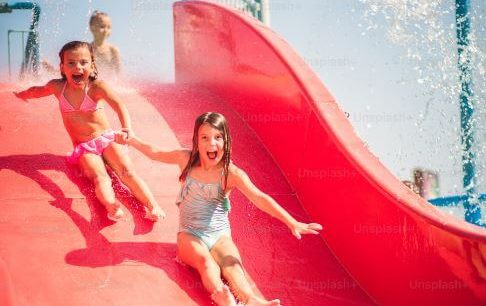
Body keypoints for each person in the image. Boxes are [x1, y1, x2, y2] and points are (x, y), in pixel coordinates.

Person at [115, 112, 323, 306]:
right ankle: (221, 295)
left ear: (226, 141)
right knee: (206, 262)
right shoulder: (185, 159)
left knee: (232, 264)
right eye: (204, 137)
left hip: (220, 234)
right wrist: (132, 139)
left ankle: (251, 300)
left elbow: (259, 197)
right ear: (196, 141)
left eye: (217, 137)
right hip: (189, 234)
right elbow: (156, 153)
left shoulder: (230, 173)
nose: (211, 143)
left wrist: (291, 221)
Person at [13, 41, 163, 222]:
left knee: (127, 172)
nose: (78, 67)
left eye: (83, 62)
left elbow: (119, 105)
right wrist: (22, 94)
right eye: (71, 63)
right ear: (62, 67)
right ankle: (111, 205)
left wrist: (126, 129)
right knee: (100, 176)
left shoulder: (96, 87)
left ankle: (153, 206)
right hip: (84, 148)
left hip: (106, 139)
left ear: (92, 65)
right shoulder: (57, 88)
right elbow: (37, 91)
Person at [89, 10, 122, 77]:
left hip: (108, 83)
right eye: (102, 26)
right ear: (92, 28)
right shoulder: (88, 49)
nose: (106, 30)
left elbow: (119, 72)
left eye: (109, 27)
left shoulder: (113, 50)